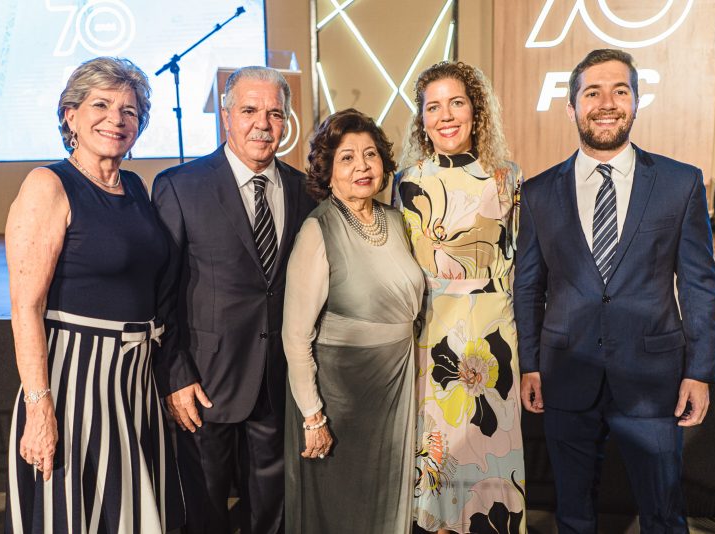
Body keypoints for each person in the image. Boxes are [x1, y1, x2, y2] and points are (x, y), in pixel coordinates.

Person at [514, 48, 715, 532]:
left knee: (664, 514)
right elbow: (528, 287)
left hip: (653, 380)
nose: (606, 102)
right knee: (574, 515)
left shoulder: (680, 183)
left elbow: (698, 284)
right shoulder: (539, 192)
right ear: (571, 107)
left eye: (619, 90)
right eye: (592, 92)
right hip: (565, 374)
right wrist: (530, 363)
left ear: (636, 101)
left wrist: (701, 370)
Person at [4, 57, 184, 533]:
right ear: (71, 116)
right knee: (76, 514)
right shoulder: (48, 185)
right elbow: (26, 306)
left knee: (132, 513)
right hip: (75, 380)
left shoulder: (135, 186)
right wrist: (40, 406)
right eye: (100, 105)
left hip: (133, 381)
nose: (116, 119)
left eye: (129, 110)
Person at [152, 66, 315, 534]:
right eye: (249, 111)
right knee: (203, 511)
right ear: (226, 117)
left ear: (286, 122)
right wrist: (176, 373)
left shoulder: (306, 190)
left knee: (273, 510)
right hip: (204, 382)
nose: (262, 123)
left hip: (276, 381)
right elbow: (162, 293)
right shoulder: (180, 186)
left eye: (275, 113)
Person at [395, 61, 526, 533]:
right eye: (434, 106)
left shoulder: (507, 178)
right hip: (433, 343)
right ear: (422, 118)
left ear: (476, 110)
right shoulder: (407, 181)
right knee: (439, 464)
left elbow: (519, 267)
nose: (446, 115)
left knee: (492, 459)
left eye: (456, 102)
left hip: (495, 340)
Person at [281, 108, 424, 534]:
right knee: (341, 511)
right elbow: (295, 336)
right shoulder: (317, 230)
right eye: (347, 158)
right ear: (327, 172)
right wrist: (313, 416)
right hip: (340, 398)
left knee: (387, 505)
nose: (362, 166)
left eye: (370, 154)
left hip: (395, 388)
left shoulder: (398, 221)